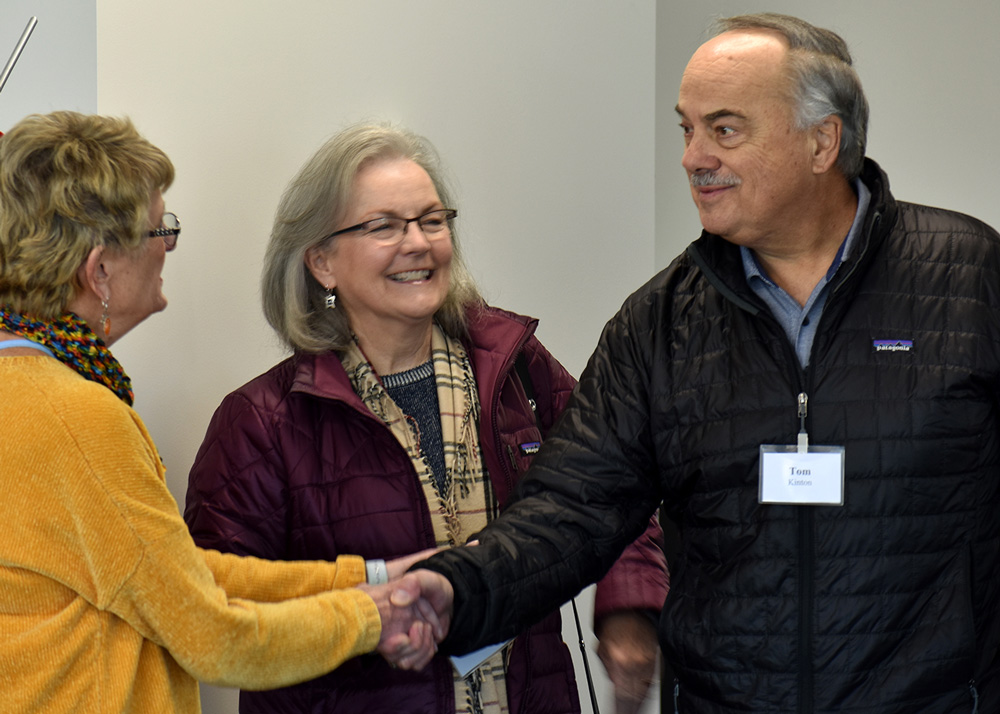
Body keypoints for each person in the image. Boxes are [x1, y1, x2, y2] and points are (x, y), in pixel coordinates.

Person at [408, 12, 1000, 713]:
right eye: (687, 130)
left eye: (725, 129)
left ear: (822, 142)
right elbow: (571, 508)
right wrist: (456, 588)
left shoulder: (970, 278)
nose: (693, 157)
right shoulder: (659, 323)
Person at [182, 123, 669, 714]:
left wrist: (628, 607)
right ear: (321, 262)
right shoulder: (260, 423)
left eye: (432, 220)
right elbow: (220, 612)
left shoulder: (517, 369)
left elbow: (617, 483)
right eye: (383, 226)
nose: (417, 243)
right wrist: (367, 610)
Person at [0, 111, 442, 714]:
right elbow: (212, 637)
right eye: (159, 230)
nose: (169, 246)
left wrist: (373, 577)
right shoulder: (76, 417)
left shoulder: (24, 389)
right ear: (99, 270)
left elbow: (174, 576)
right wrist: (373, 615)